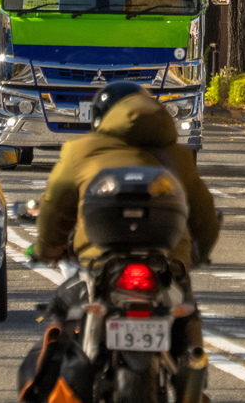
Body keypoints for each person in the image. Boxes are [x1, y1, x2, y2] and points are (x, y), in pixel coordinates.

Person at [19, 83, 218, 399]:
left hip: (101, 263)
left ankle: (49, 388)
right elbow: (204, 213)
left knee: (62, 311)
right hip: (166, 264)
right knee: (187, 311)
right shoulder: (179, 156)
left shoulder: (80, 151)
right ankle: (191, 383)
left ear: (100, 119)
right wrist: (196, 254)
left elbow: (55, 207)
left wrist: (48, 249)